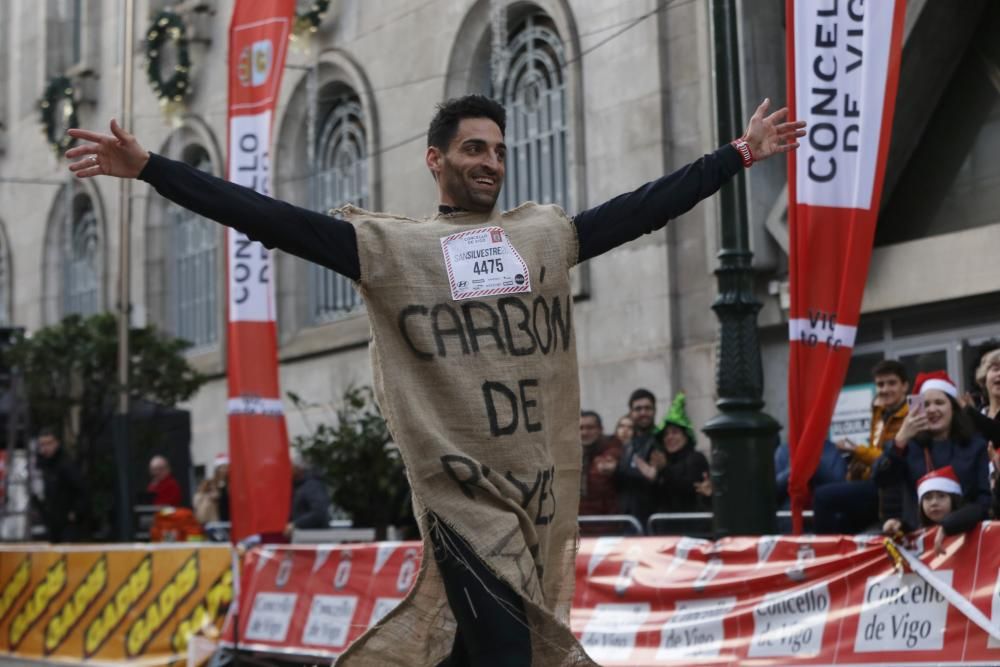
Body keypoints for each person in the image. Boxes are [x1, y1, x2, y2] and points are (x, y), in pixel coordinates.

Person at [66, 94, 803, 666]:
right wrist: (154, 168)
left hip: (534, 505)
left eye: (499, 150)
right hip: (461, 506)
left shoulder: (540, 237)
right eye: (473, 148)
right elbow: (269, 218)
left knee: (479, 652)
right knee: (511, 653)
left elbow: (642, 209)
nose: (491, 161)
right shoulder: (394, 249)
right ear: (435, 159)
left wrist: (738, 154)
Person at [873, 371, 990, 533]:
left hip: (966, 535)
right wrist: (900, 440)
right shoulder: (906, 447)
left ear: (953, 409)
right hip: (917, 538)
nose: (932, 409)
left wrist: (951, 524)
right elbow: (881, 479)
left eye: (939, 403)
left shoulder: (975, 445)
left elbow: (984, 500)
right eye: (926, 405)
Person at [813, 360, 910, 534]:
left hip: (892, 488)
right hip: (876, 482)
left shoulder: (909, 416)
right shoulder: (879, 412)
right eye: (880, 384)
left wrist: (858, 451)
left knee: (822, 497)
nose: (885, 389)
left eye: (891, 383)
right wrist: (857, 468)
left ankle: (828, 555)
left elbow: (889, 459)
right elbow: (877, 455)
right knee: (842, 517)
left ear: (905, 386)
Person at [883, 466, 980, 555]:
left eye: (941, 496)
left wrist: (946, 527)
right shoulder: (919, 532)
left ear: (954, 500)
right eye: (928, 498)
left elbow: (977, 510)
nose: (934, 503)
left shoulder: (971, 515)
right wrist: (899, 527)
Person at [615, 388, 666, 524]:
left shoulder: (664, 440)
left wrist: (659, 475)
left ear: (654, 410)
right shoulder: (625, 443)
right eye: (638, 409)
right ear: (631, 413)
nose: (643, 412)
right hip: (626, 518)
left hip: (654, 519)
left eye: (647, 408)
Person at [653, 393, 710, 513]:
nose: (669, 437)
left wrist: (664, 470)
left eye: (675, 432)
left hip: (691, 527)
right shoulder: (662, 460)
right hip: (664, 528)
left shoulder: (696, 458)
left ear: (686, 436)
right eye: (666, 434)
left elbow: (689, 487)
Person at [32, 428, 88, 543]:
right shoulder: (41, 466)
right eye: (42, 444)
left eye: (49, 443)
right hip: (50, 523)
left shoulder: (66, 465)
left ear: (56, 443)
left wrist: (75, 513)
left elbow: (81, 489)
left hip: (67, 523)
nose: (45, 448)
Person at [579, 411, 622, 516]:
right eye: (581, 428)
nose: (584, 432)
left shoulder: (612, 450)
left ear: (600, 429)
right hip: (579, 524)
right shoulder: (571, 455)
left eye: (590, 428)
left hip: (608, 523)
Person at [284, 450, 331, 537]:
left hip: (314, 538)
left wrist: (296, 524)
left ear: (298, 468)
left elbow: (319, 513)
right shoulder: (299, 486)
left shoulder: (312, 486)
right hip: (303, 538)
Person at [194, 453, 230, 525]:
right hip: (215, 521)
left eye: (227, 467)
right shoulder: (210, 483)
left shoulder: (232, 484)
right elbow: (197, 499)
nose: (225, 470)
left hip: (229, 518)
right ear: (217, 469)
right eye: (222, 467)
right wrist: (209, 497)